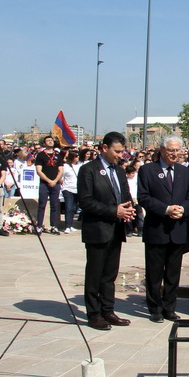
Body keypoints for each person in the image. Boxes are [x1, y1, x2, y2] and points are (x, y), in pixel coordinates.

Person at [77, 131, 137, 330]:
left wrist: (128, 211)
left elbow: (125, 196)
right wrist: (114, 211)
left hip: (116, 230)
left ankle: (108, 310)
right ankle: (94, 313)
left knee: (110, 274)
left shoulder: (119, 171)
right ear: (104, 148)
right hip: (98, 230)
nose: (121, 155)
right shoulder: (89, 170)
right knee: (95, 274)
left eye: (123, 151)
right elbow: (85, 202)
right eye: (117, 151)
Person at [137, 135, 189, 322]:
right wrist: (166, 209)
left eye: (178, 150)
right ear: (162, 150)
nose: (175, 154)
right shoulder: (147, 170)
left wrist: (183, 209)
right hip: (157, 229)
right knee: (155, 273)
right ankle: (154, 308)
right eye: (171, 150)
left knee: (173, 273)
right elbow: (144, 198)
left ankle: (169, 307)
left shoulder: (183, 171)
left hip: (177, 229)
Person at [35, 136, 64, 235]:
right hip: (44, 184)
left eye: (51, 140)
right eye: (48, 140)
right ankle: (39, 226)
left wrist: (55, 181)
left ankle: (54, 226)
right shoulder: (40, 155)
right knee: (42, 205)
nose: (50, 142)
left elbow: (61, 170)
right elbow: (39, 171)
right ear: (44, 143)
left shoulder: (58, 155)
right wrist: (48, 180)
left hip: (55, 184)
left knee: (55, 205)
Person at [61, 150, 81, 234]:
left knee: (73, 208)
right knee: (68, 207)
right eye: (76, 156)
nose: (78, 157)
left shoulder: (80, 166)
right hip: (68, 189)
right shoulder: (65, 166)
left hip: (77, 189)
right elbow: (60, 176)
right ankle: (67, 226)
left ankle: (71, 225)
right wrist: (63, 184)